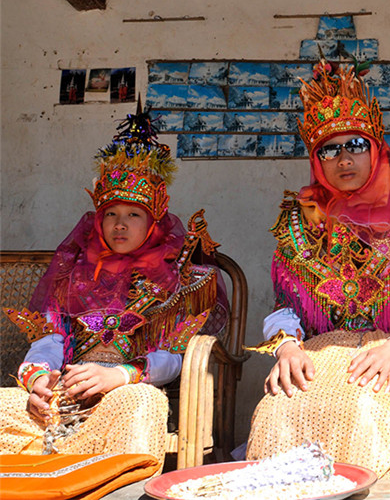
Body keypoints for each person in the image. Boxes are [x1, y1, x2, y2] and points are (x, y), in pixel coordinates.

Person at [245, 59, 390, 479]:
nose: (344, 158)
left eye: (355, 144)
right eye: (329, 149)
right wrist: (287, 347)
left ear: (376, 150)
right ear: (317, 161)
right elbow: (284, 306)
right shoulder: (301, 220)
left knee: (359, 411)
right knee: (276, 412)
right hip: (316, 356)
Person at [0, 103, 227, 465]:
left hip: (130, 388)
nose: (120, 225)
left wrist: (120, 375)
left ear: (154, 222)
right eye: (111, 215)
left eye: (133, 215)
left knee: (140, 404)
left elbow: (175, 358)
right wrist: (38, 379)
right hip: (71, 387)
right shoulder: (74, 272)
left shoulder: (178, 277)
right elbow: (50, 340)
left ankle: (114, 483)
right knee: (3, 406)